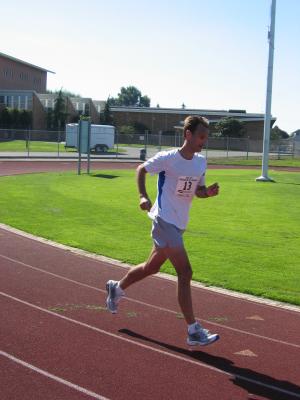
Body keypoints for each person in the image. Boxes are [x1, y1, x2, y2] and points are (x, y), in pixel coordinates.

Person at [106, 115, 220, 346]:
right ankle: (193, 331)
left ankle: (116, 288)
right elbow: (141, 169)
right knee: (185, 273)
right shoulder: (168, 158)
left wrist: (207, 193)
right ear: (187, 134)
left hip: (179, 224)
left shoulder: (200, 162)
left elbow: (197, 190)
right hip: (163, 220)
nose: (203, 141)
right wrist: (142, 196)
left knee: (151, 267)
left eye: (206, 137)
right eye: (200, 136)